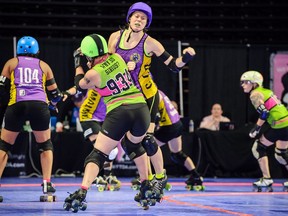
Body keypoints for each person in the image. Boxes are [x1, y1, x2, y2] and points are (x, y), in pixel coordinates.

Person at [108, 2, 195, 196]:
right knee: (129, 144)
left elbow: (173, 66)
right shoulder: (115, 37)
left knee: (147, 139)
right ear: (129, 18)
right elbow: (107, 64)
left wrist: (186, 58)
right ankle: (145, 181)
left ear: (147, 23)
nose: (139, 19)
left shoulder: (150, 43)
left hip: (147, 97)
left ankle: (160, 178)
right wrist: (121, 67)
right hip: (125, 97)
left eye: (143, 18)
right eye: (136, 16)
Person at [63, 33, 155, 212]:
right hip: (141, 108)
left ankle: (82, 192)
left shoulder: (93, 73)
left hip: (120, 111)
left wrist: (76, 61)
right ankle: (146, 187)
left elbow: (79, 84)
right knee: (135, 147)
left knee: (97, 155)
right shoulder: (118, 58)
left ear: (89, 56)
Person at [0, 36, 62, 201]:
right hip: (39, 105)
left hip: (17, 104)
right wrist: (52, 103)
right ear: (37, 51)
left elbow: (1, 88)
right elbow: (56, 95)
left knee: (4, 146)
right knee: (45, 145)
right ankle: (47, 183)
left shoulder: (11, 63)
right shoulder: (44, 65)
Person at [63, 86, 121, 191]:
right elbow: (79, 85)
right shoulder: (96, 76)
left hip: (106, 117)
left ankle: (108, 175)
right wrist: (67, 92)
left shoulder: (115, 79)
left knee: (112, 150)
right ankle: (93, 177)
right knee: (103, 149)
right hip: (88, 116)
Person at [240, 70, 288, 191]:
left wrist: (257, 128)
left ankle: (266, 179)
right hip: (285, 124)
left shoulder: (255, 94)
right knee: (281, 154)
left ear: (254, 83)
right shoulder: (266, 91)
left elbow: (264, 113)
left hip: (280, 125)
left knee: (258, 147)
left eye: (245, 82)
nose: (242, 85)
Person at [153, 90, 204, 190]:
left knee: (147, 149)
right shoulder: (159, 92)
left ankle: (151, 178)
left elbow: (155, 116)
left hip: (168, 126)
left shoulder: (151, 93)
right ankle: (196, 176)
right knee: (177, 154)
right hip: (177, 123)